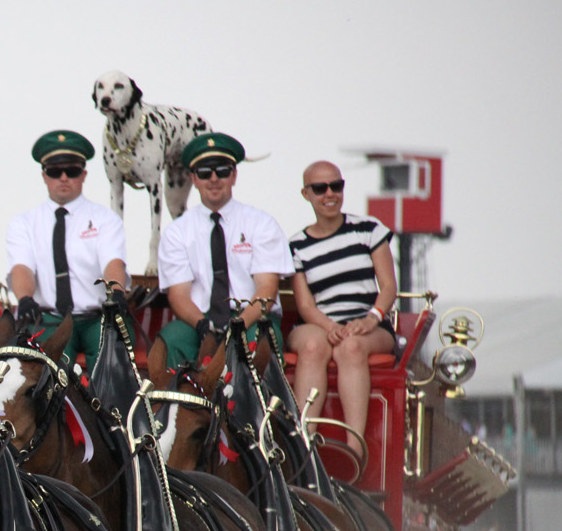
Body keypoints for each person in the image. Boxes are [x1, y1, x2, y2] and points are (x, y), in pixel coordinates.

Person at [155, 132, 293, 370]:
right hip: (199, 320)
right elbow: (178, 295)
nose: (214, 179)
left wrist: (238, 325)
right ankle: (174, 408)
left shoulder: (261, 223)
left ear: (234, 176)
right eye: (204, 173)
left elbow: (267, 290)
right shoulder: (177, 231)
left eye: (222, 171)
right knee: (172, 339)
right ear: (193, 179)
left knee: (259, 341)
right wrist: (202, 326)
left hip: (251, 318)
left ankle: (267, 408)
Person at [288, 160, 397, 457]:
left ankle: (353, 449)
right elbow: (305, 305)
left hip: (369, 323)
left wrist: (371, 319)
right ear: (306, 194)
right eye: (320, 188)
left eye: (336, 186)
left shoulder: (369, 229)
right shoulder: (296, 245)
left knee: (350, 348)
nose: (329, 194)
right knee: (312, 346)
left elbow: (388, 287)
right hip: (319, 322)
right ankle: (304, 447)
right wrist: (330, 327)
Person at [7, 129, 127, 373]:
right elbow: (22, 268)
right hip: (51, 318)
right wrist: (25, 299)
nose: (63, 177)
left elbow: (112, 262)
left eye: (71, 171)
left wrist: (116, 292)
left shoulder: (105, 219)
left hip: (98, 318)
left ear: (83, 174)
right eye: (54, 171)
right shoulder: (24, 223)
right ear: (44, 176)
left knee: (114, 371)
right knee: (47, 378)